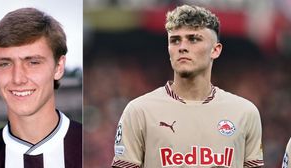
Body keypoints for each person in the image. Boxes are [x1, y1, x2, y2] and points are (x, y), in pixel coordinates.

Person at [112, 4, 264, 168]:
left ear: (215, 50)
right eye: (175, 40)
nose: (182, 47)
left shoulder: (245, 112)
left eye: (193, 39)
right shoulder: (139, 111)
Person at [0, 8, 82, 168]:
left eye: (33, 62)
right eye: (5, 64)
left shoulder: (85, 148)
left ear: (58, 67)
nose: (18, 79)